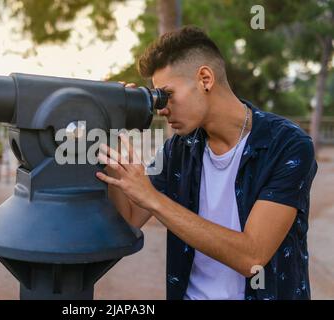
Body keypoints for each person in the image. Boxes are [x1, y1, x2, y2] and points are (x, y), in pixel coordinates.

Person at [96, 26, 318, 300]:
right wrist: (110, 125)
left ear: (204, 78)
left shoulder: (286, 145)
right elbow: (129, 217)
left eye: (167, 94)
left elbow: (252, 256)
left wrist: (152, 197)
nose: (162, 109)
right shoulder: (179, 148)